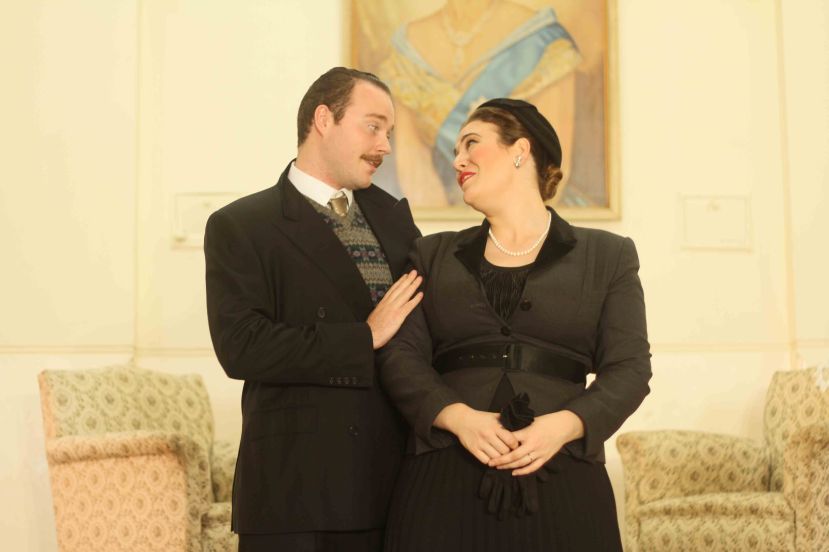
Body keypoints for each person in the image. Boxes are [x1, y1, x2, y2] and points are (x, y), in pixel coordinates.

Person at [378, 98, 651, 551]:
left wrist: (564, 426)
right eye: (457, 150)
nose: (457, 160)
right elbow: (399, 355)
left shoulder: (608, 255)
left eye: (471, 143)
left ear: (520, 150)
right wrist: (458, 418)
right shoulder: (431, 254)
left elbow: (630, 368)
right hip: (444, 479)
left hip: (563, 478)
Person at [204, 67, 423, 552]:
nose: (385, 146)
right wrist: (363, 337)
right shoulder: (242, 225)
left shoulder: (394, 218)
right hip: (295, 492)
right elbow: (241, 347)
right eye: (373, 126)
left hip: (392, 484)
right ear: (324, 119)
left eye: (388, 132)